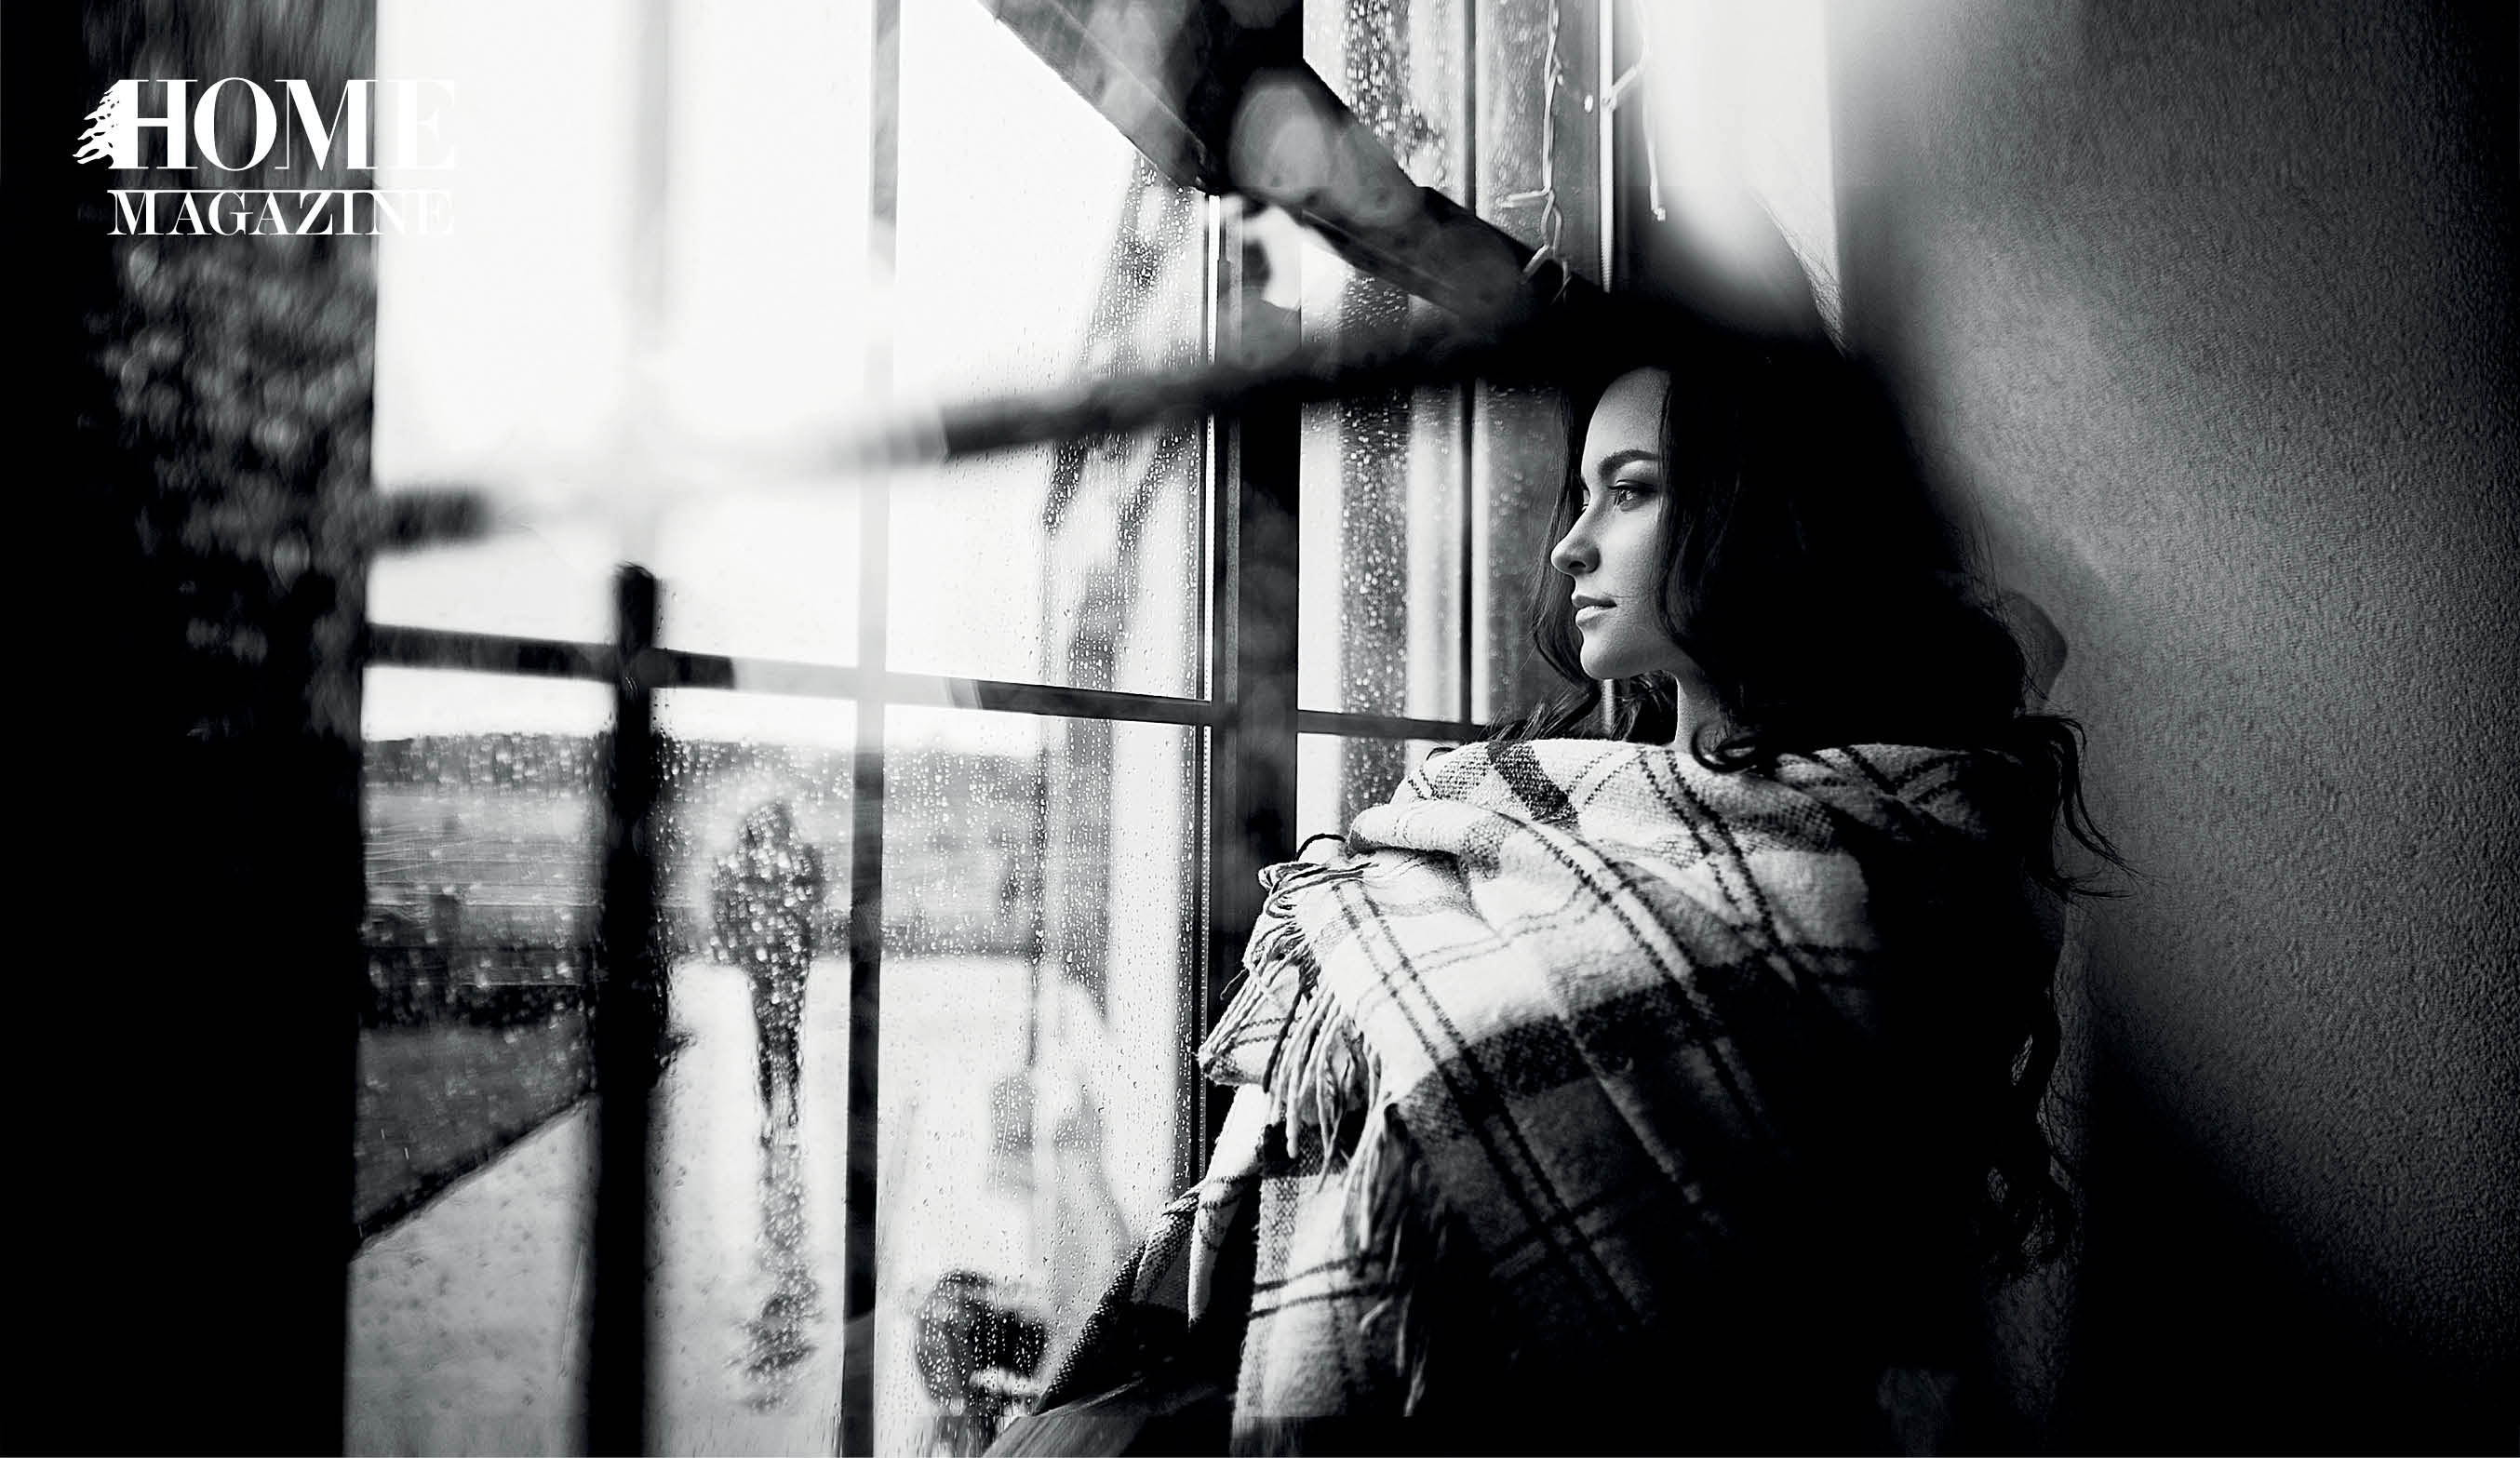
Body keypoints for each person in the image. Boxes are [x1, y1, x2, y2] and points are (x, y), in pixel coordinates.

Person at [995, 301, 2121, 1456]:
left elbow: (2007, 629)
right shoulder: (1537, 804)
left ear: (1759, 517)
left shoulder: (1876, 852)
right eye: (1579, 494)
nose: (1569, 545)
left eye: (1628, 491)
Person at [711, 801, 827, 1130]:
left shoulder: (773, 863)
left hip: (774, 958)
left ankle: (779, 1108)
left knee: (774, 1036)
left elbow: (729, 908)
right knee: (784, 1035)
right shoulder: (788, 861)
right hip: (780, 959)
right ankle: (784, 1107)